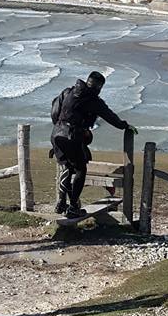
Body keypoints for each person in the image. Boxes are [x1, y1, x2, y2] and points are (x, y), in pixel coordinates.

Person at [50, 71, 136, 219]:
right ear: (99, 87)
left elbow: (54, 110)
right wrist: (125, 126)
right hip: (72, 135)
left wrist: (59, 125)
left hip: (56, 133)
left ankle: (62, 201)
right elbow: (110, 116)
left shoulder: (68, 92)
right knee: (80, 169)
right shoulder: (93, 101)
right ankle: (72, 207)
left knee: (67, 167)